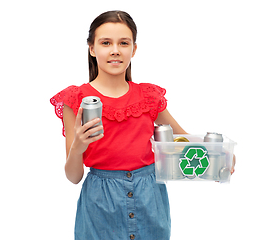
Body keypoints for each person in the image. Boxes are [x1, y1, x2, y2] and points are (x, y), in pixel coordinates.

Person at [50, 10, 234, 240]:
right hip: (100, 204)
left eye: (123, 43)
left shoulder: (148, 96)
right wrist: (77, 146)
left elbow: (182, 138)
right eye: (106, 42)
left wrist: (220, 155)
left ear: (134, 49)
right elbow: (73, 176)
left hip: (150, 199)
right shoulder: (77, 100)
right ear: (92, 48)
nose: (115, 50)